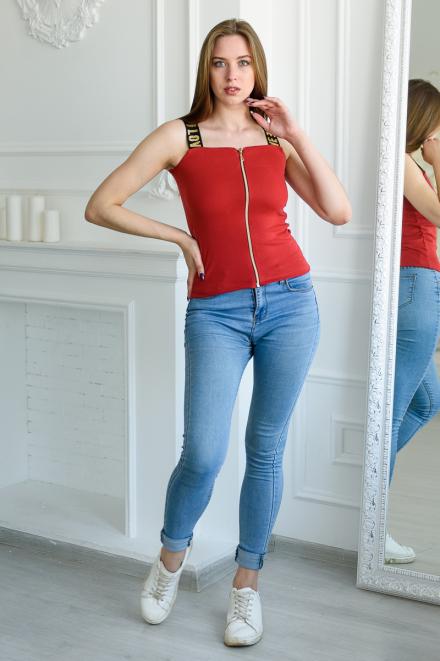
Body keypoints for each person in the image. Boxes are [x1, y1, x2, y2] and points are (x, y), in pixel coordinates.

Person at [85, 18, 351, 648]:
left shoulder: (274, 138)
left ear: (258, 69)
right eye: (220, 63)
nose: (233, 75)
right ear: (206, 69)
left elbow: (338, 210)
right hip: (217, 311)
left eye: (244, 63)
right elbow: (101, 204)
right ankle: (168, 563)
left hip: (291, 304)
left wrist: (296, 134)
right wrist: (180, 237)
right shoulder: (179, 136)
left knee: (265, 449)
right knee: (203, 452)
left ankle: (246, 586)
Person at [385, 79, 440, 565]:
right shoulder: (401, 161)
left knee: (427, 401)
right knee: (395, 410)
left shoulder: (406, 164)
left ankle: (364, 487)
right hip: (414, 285)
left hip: (418, 284)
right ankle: (371, 517)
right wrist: (439, 161)